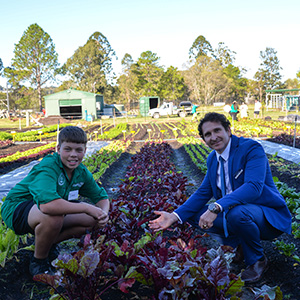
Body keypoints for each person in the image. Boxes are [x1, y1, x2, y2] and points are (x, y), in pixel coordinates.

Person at [149, 112, 291, 283]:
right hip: (237, 214)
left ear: (228, 130)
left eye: (217, 130)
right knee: (193, 214)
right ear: (204, 139)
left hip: (266, 217)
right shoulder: (213, 159)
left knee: (237, 213)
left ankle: (257, 260)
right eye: (208, 134)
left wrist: (216, 207)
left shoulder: (251, 149)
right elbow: (203, 192)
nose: (214, 137)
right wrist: (174, 216)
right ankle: (240, 244)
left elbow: (253, 187)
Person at [1, 126, 110, 276]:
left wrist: (103, 213)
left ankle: (48, 244)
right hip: (17, 210)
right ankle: (39, 262)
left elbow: (101, 197)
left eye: (79, 150)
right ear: (58, 149)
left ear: (85, 150)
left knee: (93, 219)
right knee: (55, 215)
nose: (73, 155)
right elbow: (48, 206)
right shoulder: (49, 167)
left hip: (42, 212)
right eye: (68, 149)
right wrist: (86, 207)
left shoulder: (81, 172)